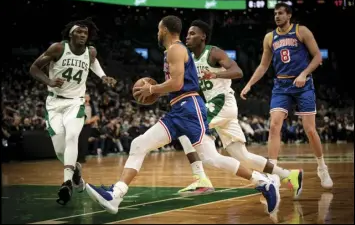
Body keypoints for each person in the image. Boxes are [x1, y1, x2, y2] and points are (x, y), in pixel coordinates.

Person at [85, 15, 280, 215]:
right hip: (181, 108)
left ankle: (263, 181)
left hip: (189, 108)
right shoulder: (172, 51)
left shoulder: (176, 50)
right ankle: (116, 195)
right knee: (144, 145)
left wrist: (152, 90)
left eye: (159, 29)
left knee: (210, 158)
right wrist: (157, 89)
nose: (157, 33)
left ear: (165, 30)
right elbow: (176, 85)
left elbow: (177, 84)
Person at [178, 20, 303, 199]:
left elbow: (238, 72)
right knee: (243, 157)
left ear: (203, 37)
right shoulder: (190, 59)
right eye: (187, 34)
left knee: (183, 126)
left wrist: (215, 74)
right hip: (221, 108)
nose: (187, 37)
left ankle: (200, 178)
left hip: (221, 102)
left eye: (192, 33)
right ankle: (289, 175)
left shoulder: (213, 52)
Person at [240, 3, 333, 189]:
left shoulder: (301, 31)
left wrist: (304, 74)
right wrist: (249, 84)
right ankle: (273, 172)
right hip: (281, 85)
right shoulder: (269, 37)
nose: (277, 16)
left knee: (310, 129)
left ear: (289, 15)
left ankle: (322, 167)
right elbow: (263, 66)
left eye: (280, 13)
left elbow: (317, 57)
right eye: (275, 13)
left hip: (303, 84)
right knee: (274, 125)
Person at [29, 18, 117, 205]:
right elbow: (34, 68)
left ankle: (67, 182)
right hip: (54, 104)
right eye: (79, 32)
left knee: (71, 138)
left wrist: (103, 77)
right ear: (71, 34)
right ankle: (75, 172)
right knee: (60, 150)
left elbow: (93, 63)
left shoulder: (91, 51)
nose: (82, 35)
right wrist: (49, 81)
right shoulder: (58, 49)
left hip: (76, 103)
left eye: (85, 33)